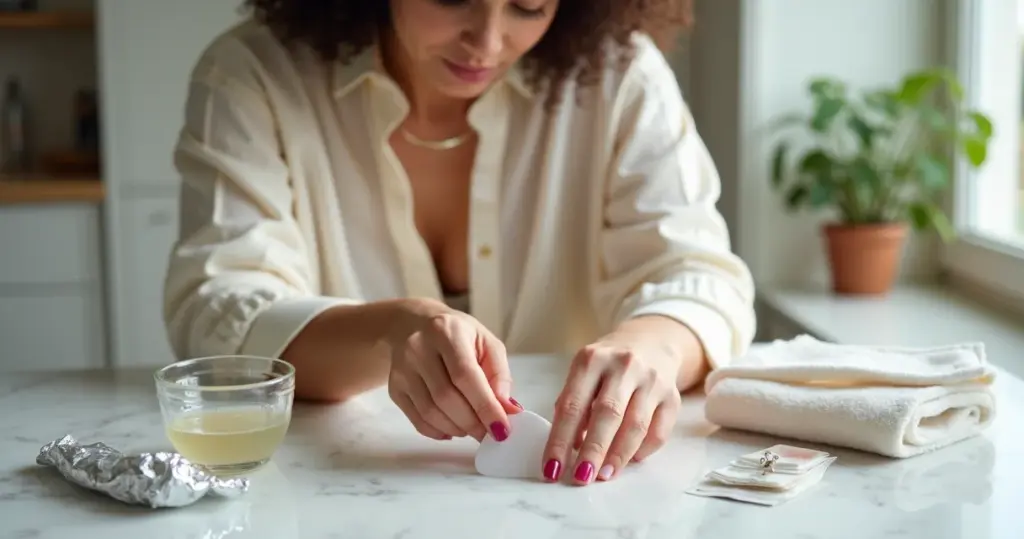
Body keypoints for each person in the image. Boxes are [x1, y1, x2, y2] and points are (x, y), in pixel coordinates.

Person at [163, 0, 756, 486]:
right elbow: (218, 308)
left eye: (528, 6)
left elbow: (698, 273)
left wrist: (650, 350)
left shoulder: (619, 76)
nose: (488, 41)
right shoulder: (254, 74)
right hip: (335, 495)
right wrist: (393, 329)